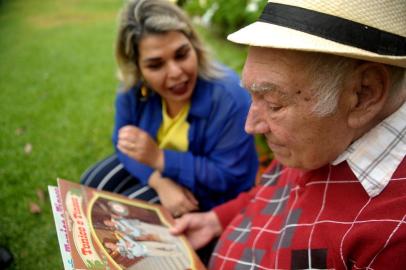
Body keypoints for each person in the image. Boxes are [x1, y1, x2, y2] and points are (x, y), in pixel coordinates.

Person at [171, 0, 406, 269]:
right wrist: (216, 220)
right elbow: (274, 190)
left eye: (273, 104)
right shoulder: (320, 137)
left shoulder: (394, 239)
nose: (251, 125)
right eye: (253, 96)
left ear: (364, 94)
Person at [80, 0, 258, 218]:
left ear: (195, 46)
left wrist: (160, 159)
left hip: (211, 194)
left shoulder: (229, 96)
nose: (175, 72)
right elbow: (123, 143)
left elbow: (229, 177)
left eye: (182, 54)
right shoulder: (132, 89)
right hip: (157, 168)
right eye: (156, 65)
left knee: (128, 216)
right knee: (91, 184)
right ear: (137, 67)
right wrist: (158, 180)